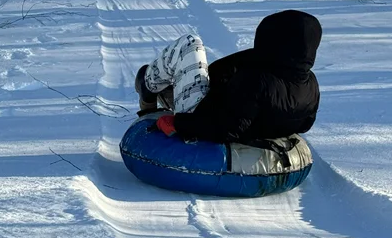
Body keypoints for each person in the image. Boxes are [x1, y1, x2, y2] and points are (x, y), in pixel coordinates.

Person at [134, 9, 322, 144]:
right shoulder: (311, 83)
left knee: (190, 44)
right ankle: (169, 90)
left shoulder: (256, 80)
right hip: (248, 120)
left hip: (198, 115)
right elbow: (304, 125)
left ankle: (147, 85)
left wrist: (179, 123)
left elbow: (227, 129)